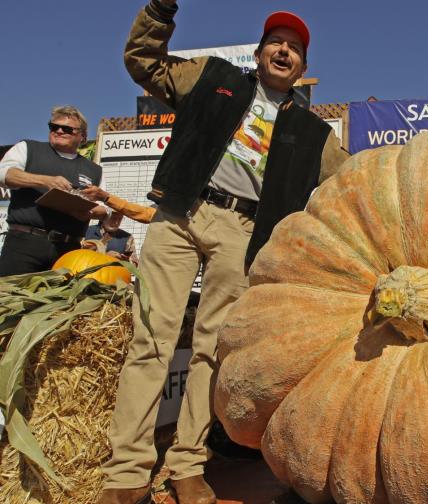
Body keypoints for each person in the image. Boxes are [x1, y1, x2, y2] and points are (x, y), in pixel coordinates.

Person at [98, 1, 349, 503]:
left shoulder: (315, 133)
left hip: (244, 233)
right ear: (259, 54)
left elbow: (356, 184)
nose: (285, 51)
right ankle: (125, 474)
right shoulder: (213, 78)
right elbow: (143, 60)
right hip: (181, 216)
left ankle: (187, 465)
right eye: (277, 42)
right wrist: (160, 9)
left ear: (303, 66)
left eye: (296, 48)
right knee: (151, 341)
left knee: (212, 353)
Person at [0, 106, 107, 275]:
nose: (58, 131)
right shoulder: (28, 148)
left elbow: (103, 208)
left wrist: (88, 211)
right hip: (24, 245)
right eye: (53, 126)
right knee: (11, 300)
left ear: (83, 136)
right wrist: (45, 180)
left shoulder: (94, 170)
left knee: (61, 301)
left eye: (67, 129)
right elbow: (4, 174)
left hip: (68, 250)